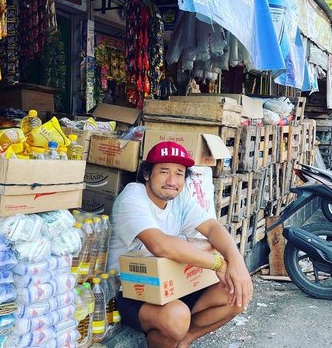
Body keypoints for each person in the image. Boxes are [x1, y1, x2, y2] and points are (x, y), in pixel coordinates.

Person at [107, 141, 253, 348]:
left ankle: (183, 341)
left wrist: (236, 261)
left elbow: (212, 228)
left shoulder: (180, 199)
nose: (171, 180)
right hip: (132, 289)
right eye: (164, 171)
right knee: (177, 317)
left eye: (179, 173)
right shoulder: (133, 196)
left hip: (170, 284)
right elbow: (161, 245)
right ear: (148, 174)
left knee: (236, 292)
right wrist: (220, 264)